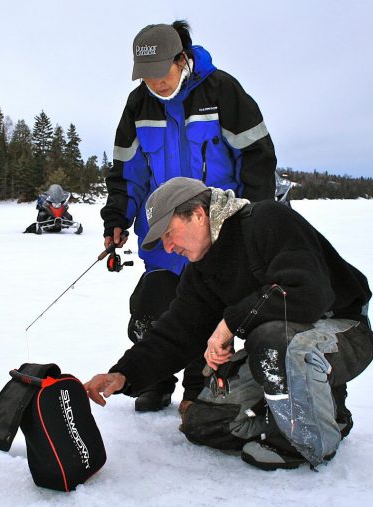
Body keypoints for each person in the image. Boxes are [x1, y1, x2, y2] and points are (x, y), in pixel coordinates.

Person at [86, 177, 373, 470]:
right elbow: (176, 334)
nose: (168, 248)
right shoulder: (202, 271)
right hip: (274, 346)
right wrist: (123, 374)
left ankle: (314, 438)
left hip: (341, 333)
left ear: (198, 214)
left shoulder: (268, 220)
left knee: (273, 340)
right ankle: (301, 414)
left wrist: (229, 323)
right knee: (202, 423)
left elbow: (308, 293)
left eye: (169, 234)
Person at [101, 20, 278, 413]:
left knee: (209, 308)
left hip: (215, 233)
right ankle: (155, 380)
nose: (155, 83)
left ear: (181, 59)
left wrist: (251, 222)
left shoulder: (222, 91)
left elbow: (257, 161)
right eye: (146, 76)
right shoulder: (138, 105)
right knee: (151, 304)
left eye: (161, 74)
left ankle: (200, 387)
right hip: (165, 237)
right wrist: (117, 217)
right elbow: (128, 173)